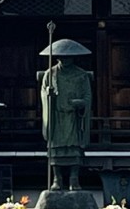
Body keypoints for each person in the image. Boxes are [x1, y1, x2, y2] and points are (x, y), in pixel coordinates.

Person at [38, 38, 93, 191]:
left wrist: (80, 103)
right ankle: (57, 179)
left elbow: (88, 97)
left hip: (74, 117)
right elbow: (43, 93)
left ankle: (74, 179)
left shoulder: (81, 75)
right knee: (56, 148)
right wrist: (48, 96)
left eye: (68, 57)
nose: (65, 60)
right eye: (62, 57)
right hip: (56, 117)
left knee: (74, 148)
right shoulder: (50, 73)